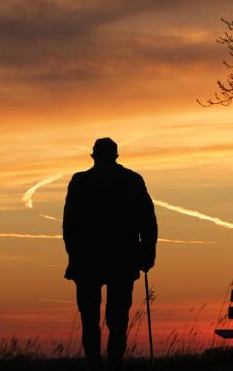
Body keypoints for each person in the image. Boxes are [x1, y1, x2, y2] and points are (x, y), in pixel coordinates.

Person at [63, 137, 157, 370]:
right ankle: (115, 361)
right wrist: (147, 254)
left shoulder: (80, 181)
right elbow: (148, 222)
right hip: (122, 259)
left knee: (89, 317)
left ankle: (94, 362)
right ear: (116, 156)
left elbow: (69, 224)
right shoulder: (132, 180)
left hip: (87, 259)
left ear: (94, 156)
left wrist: (73, 254)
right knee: (118, 318)